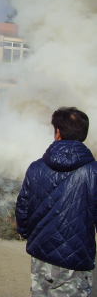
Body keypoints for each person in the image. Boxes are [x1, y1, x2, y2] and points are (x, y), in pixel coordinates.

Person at [16, 107, 97, 297]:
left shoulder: (36, 167)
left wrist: (29, 234)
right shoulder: (93, 171)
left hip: (41, 256)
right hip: (76, 258)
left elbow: (23, 210)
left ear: (57, 132)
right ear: (84, 134)